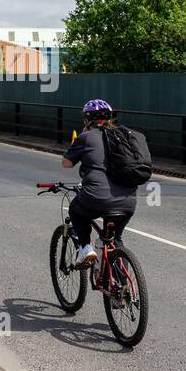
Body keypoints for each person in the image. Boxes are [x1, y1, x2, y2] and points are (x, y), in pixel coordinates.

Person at [61, 99, 137, 267]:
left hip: (97, 198)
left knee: (75, 210)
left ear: (87, 119)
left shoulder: (85, 137)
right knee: (115, 239)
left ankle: (85, 248)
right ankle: (123, 287)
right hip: (128, 201)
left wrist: (81, 139)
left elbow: (66, 163)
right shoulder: (123, 137)